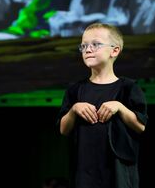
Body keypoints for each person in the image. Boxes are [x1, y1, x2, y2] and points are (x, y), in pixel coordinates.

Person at [57, 23, 148, 188]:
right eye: (84, 46)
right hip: (84, 170)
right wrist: (74, 109)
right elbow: (63, 129)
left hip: (118, 170)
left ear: (114, 50)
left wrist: (120, 107)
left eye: (95, 44)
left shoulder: (128, 87)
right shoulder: (75, 90)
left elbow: (140, 126)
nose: (88, 49)